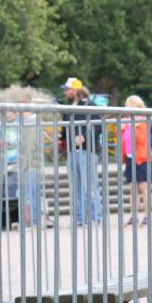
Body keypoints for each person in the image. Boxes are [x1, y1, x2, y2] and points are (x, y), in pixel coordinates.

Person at [60, 77, 104, 226]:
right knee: (76, 186)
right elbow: (65, 130)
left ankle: (96, 216)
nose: (65, 92)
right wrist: (61, 139)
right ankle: (80, 217)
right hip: (72, 151)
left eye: (67, 89)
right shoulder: (67, 108)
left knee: (90, 185)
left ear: (75, 90)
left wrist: (84, 136)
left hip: (88, 151)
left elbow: (98, 127)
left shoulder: (90, 105)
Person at [121, 95, 150, 227]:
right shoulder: (126, 122)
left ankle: (147, 216)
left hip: (142, 158)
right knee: (133, 189)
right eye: (128, 106)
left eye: (131, 105)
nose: (129, 108)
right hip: (130, 157)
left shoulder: (143, 121)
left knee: (144, 188)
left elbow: (141, 140)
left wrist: (133, 126)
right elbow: (123, 141)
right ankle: (134, 216)